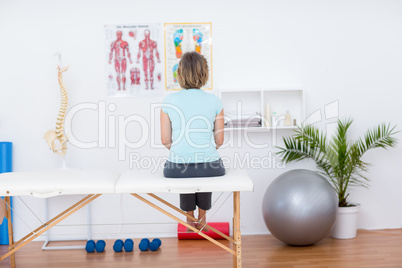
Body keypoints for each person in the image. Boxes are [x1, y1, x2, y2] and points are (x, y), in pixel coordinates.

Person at [160, 51, 225, 232]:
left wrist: (183, 150)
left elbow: (165, 140)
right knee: (204, 169)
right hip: (211, 166)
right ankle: (202, 218)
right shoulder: (215, 101)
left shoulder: (169, 101)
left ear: (180, 73)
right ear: (204, 73)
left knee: (185, 172)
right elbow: (219, 140)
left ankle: (189, 218)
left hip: (177, 168)